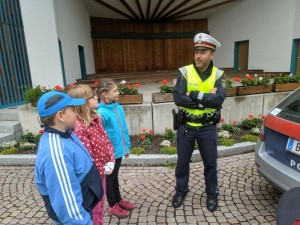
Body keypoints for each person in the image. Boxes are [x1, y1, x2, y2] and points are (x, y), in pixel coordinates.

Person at [171, 33, 226, 212]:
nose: (198, 56)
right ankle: (181, 190)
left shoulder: (219, 74)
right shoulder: (184, 71)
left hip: (207, 127)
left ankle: (212, 194)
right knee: (182, 163)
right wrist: (206, 99)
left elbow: (218, 101)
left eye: (203, 52)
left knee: (210, 163)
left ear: (212, 54)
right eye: (196, 51)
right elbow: (178, 98)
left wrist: (193, 94)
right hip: (186, 126)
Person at [35, 91, 103, 225]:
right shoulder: (57, 153)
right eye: (72, 110)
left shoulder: (66, 134)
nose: (76, 114)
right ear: (60, 116)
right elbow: (69, 211)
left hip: (85, 207)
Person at [67, 84, 115, 225]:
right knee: (94, 206)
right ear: (82, 103)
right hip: (93, 175)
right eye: (92, 96)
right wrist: (102, 167)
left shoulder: (96, 118)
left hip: (102, 170)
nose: (96, 98)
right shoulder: (79, 127)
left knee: (100, 201)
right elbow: (88, 157)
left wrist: (111, 159)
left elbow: (106, 140)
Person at [96, 79, 135, 218]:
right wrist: (107, 153)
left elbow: (123, 129)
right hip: (109, 152)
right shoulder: (101, 113)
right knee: (110, 178)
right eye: (115, 91)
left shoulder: (118, 107)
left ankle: (118, 200)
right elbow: (101, 136)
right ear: (105, 94)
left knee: (115, 176)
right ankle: (112, 205)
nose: (118, 92)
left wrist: (126, 147)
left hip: (119, 149)